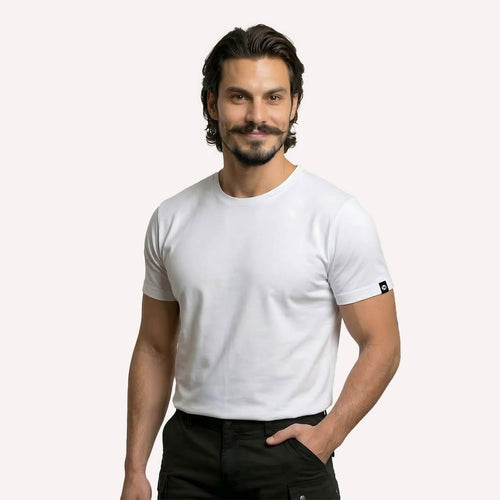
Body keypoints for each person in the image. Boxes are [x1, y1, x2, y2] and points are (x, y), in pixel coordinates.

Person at [120, 24, 401, 500]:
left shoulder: (337, 216)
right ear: (212, 104)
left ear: (294, 105)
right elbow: (153, 346)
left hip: (290, 453)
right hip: (189, 457)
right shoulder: (172, 217)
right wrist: (134, 469)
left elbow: (383, 344)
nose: (257, 116)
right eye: (239, 97)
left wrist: (327, 436)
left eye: (273, 98)